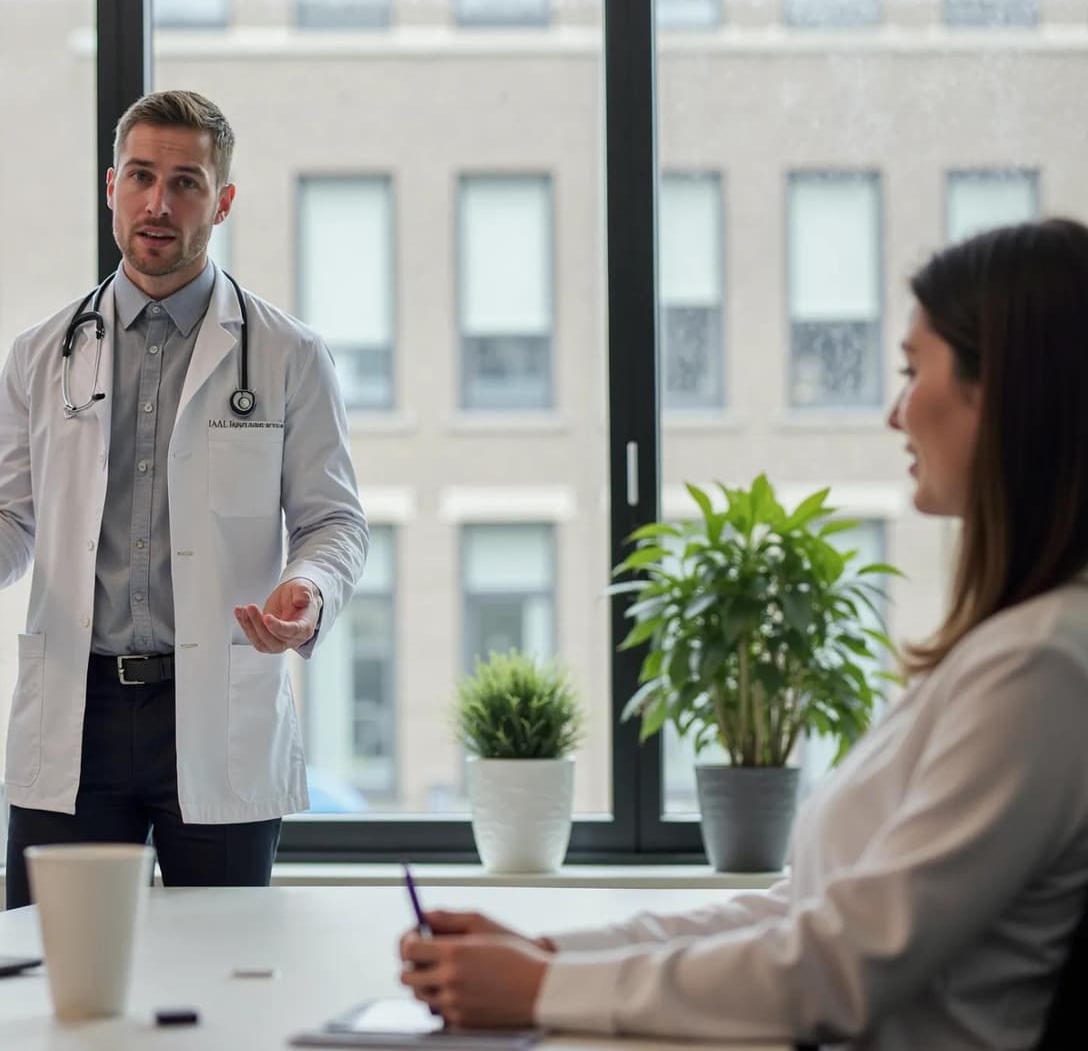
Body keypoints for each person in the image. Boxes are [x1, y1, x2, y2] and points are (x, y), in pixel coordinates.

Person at [395, 218, 1088, 1049]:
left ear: (1003, 392)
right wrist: (546, 955)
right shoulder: (1008, 649)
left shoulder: (1040, 667)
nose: (894, 412)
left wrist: (545, 986)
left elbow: (840, 966)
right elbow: (804, 909)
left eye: (913, 371)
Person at [0, 90, 369, 908]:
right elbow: (7, 530)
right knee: (52, 976)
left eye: (186, 182)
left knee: (221, 981)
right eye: (143, 177)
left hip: (216, 704)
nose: (160, 202)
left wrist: (312, 589)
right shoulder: (42, 353)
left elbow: (334, 521)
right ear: (110, 186)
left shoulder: (290, 354)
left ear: (222, 201)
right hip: (76, 710)